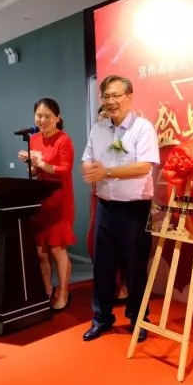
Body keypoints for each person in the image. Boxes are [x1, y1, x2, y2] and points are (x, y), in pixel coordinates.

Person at [81, 75, 160, 343]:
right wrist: (89, 169)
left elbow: (144, 166)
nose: (111, 101)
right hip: (105, 206)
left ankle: (139, 319)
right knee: (102, 266)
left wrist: (107, 172)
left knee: (135, 267)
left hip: (134, 209)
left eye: (116, 95)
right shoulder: (98, 129)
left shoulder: (142, 128)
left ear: (129, 97)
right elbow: (88, 159)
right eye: (106, 96)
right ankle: (101, 318)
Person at [18, 98, 75, 312]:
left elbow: (64, 170)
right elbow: (35, 172)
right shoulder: (33, 139)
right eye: (39, 115)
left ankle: (64, 292)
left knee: (57, 249)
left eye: (47, 116)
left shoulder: (64, 140)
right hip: (41, 199)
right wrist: (31, 165)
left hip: (59, 200)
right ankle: (47, 290)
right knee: (41, 251)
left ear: (57, 118)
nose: (42, 120)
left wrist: (41, 163)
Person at [87, 105, 128, 304]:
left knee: (122, 245)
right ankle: (108, 285)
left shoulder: (120, 141)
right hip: (98, 197)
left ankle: (124, 285)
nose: (102, 121)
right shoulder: (96, 139)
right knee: (96, 244)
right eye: (100, 117)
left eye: (106, 116)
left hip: (120, 200)